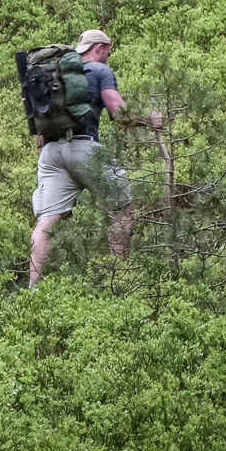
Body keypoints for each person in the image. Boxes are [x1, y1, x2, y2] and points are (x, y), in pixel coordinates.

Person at [28, 29, 159, 287]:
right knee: (123, 210)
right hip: (84, 149)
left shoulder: (55, 74)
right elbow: (118, 112)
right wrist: (149, 119)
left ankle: (32, 290)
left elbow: (39, 132)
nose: (108, 58)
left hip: (51, 154)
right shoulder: (100, 71)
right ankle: (116, 277)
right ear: (99, 48)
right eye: (107, 53)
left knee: (47, 222)